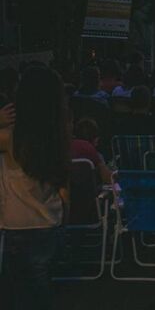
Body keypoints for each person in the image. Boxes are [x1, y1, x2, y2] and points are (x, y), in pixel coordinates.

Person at [0, 66, 70, 310]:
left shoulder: (10, 137)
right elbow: (64, 184)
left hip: (18, 223)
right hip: (51, 223)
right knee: (40, 289)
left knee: (21, 294)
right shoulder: (57, 134)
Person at [70, 117, 113, 184]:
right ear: (94, 137)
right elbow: (108, 178)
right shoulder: (90, 149)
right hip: (91, 192)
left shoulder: (66, 147)